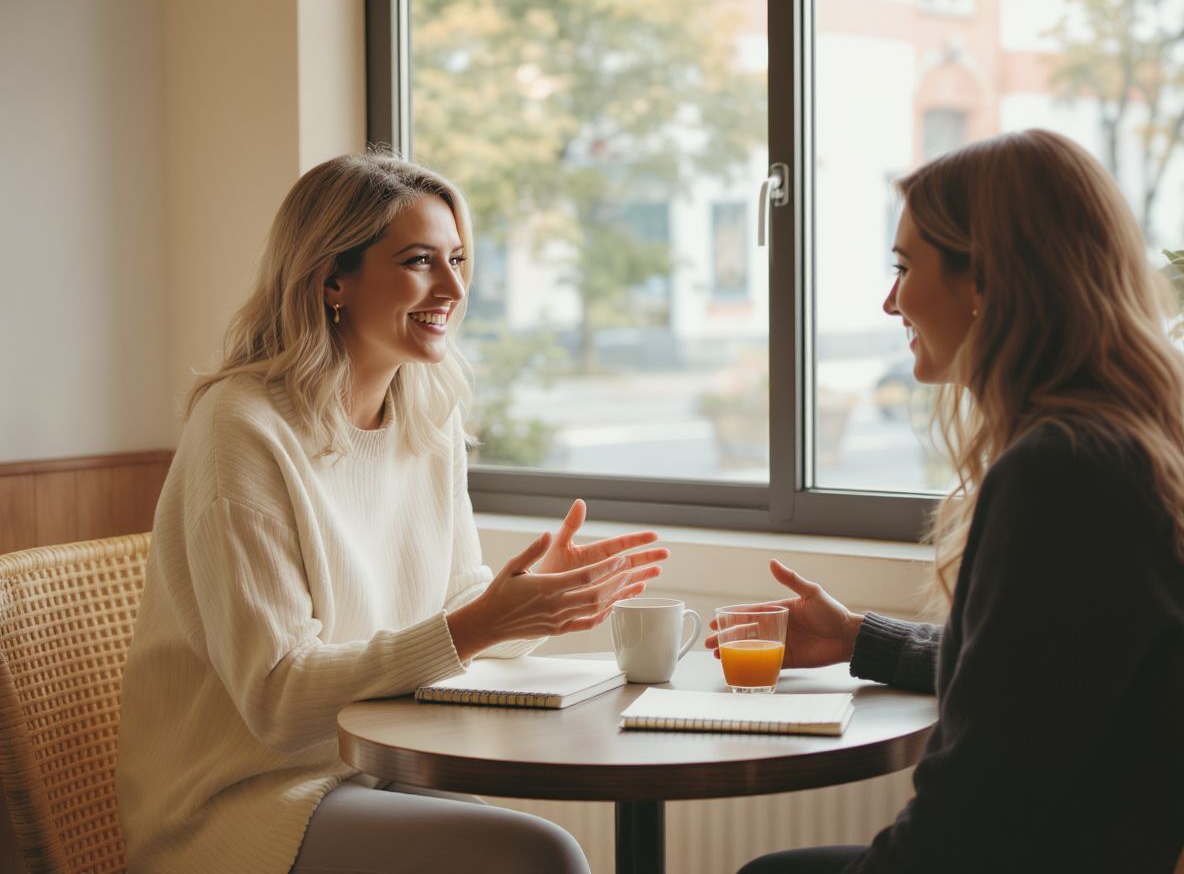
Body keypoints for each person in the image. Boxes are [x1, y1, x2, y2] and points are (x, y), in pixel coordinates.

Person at [115, 151, 670, 874]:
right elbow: (277, 699)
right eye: (419, 261)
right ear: (331, 280)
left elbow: (452, 608)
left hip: (378, 772)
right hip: (241, 802)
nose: (454, 287)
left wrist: (528, 600)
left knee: (529, 849)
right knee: (540, 856)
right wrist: (483, 622)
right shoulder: (241, 429)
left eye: (459, 259)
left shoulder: (428, 413)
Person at [720, 129, 1184, 873]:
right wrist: (858, 639)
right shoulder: (1123, 443)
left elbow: (976, 809)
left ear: (986, 282)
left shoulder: (1061, 472)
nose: (888, 300)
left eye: (904, 267)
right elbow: (1044, 682)